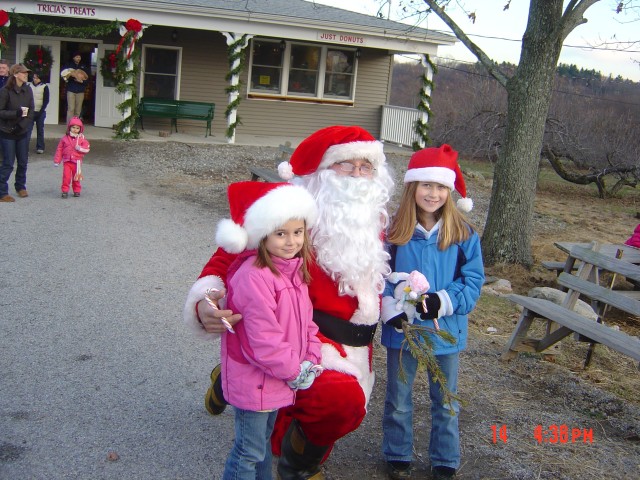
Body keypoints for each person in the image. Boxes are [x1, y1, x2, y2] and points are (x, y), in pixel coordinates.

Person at [183, 125, 394, 479]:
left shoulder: (375, 219)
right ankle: (298, 465)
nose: (358, 175)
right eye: (347, 165)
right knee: (338, 402)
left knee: (335, 409)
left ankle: (230, 378)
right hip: (297, 340)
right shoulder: (292, 219)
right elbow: (227, 257)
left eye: (366, 166)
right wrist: (205, 300)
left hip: (352, 346)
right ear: (322, 173)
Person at [379, 144, 484, 480]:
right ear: (413, 187)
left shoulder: (464, 234)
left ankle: (445, 458)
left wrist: (443, 300)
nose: (433, 193)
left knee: (446, 400)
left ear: (449, 191)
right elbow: (379, 276)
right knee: (399, 397)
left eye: (440, 187)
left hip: (444, 332)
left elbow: (472, 282)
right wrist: (390, 309)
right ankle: (397, 453)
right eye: (426, 185)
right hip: (404, 332)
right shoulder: (395, 232)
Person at [215, 181, 322, 479]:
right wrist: (293, 370)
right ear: (262, 235)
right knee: (248, 451)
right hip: (256, 378)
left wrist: (311, 358)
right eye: (281, 233)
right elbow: (262, 339)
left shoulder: (293, 270)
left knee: (260, 444)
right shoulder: (254, 277)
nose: (291, 242)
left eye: (297, 232)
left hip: (279, 377)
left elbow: (307, 322)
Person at [0, 64, 35, 203]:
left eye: (27, 73)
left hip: (22, 130)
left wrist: (23, 125)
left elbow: (32, 110)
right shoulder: (5, 91)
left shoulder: (28, 89)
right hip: (7, 131)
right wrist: (16, 114)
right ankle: (2, 192)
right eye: (23, 73)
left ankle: (20, 186)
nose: (26, 75)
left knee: (23, 161)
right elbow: (1, 111)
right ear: (15, 74)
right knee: (8, 162)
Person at [53, 117, 90, 198]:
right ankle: (65, 190)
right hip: (67, 161)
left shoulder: (82, 139)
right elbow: (59, 149)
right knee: (66, 177)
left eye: (77, 128)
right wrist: (57, 160)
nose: (75, 129)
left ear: (80, 129)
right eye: (73, 127)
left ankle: (77, 190)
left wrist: (80, 148)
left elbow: (87, 149)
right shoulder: (64, 138)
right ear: (69, 127)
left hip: (77, 162)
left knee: (76, 177)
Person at [60, 52, 90, 123]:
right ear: (73, 58)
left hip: (80, 91)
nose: (78, 58)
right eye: (76, 57)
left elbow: (87, 79)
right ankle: (69, 127)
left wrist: (82, 81)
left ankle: (76, 125)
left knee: (78, 110)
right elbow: (63, 76)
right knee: (71, 109)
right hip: (71, 90)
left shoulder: (83, 66)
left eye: (79, 57)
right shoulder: (68, 65)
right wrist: (70, 77)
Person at [28, 71, 49, 154]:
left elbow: (46, 100)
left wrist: (41, 110)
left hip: (40, 112)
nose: (35, 79)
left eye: (37, 78)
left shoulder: (44, 86)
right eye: (34, 77)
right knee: (28, 130)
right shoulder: (29, 86)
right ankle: (25, 147)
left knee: (40, 130)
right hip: (31, 111)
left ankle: (40, 147)